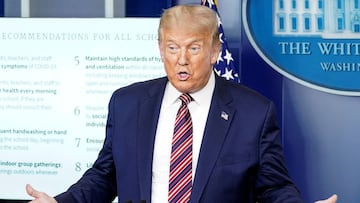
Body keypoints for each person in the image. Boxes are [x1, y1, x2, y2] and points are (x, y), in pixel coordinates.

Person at [26, 4, 338, 203]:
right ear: (161, 49)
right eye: (173, 48)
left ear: (215, 51)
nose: (182, 60)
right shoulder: (127, 103)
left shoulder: (254, 112)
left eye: (193, 48)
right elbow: (105, 176)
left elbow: (273, 188)